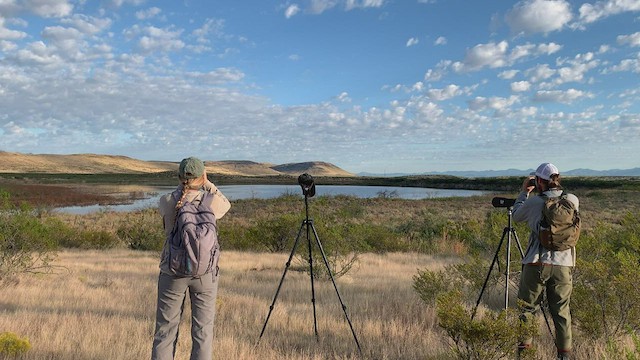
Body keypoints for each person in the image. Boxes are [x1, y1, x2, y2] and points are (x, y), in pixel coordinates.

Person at [151, 157, 231, 360]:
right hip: (205, 273)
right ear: (202, 176)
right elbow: (227, 204)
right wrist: (209, 184)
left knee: (165, 332)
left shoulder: (166, 201)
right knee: (203, 333)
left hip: (172, 271)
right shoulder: (211, 201)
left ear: (178, 177)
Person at [512, 162, 578, 360]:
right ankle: (564, 356)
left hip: (536, 262)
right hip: (563, 264)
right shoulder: (572, 200)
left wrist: (525, 192)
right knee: (561, 312)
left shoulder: (534, 202)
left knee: (527, 310)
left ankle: (525, 356)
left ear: (539, 181)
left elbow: (516, 215)